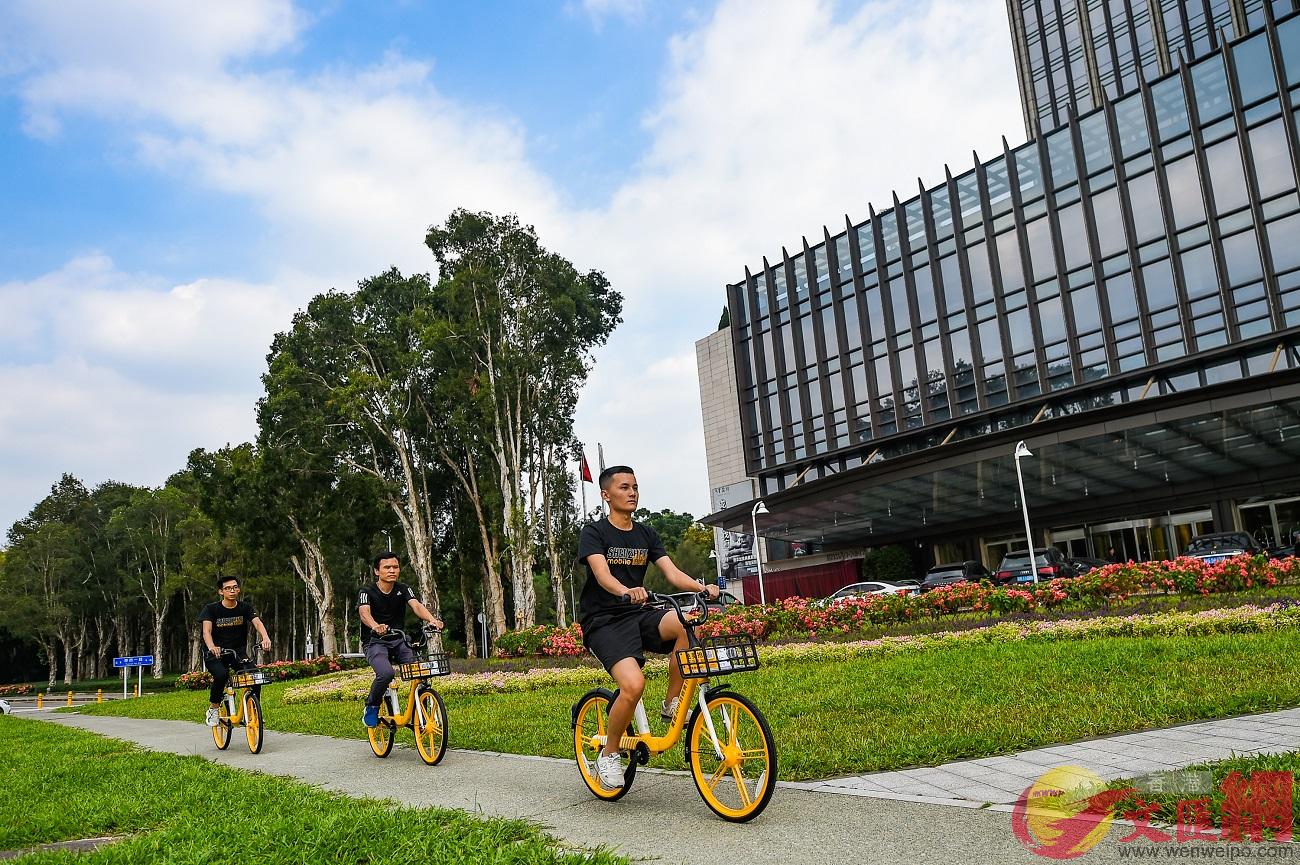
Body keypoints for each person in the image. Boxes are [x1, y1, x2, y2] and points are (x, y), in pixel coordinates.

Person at [577, 465, 719, 791]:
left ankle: (671, 704)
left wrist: (702, 587)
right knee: (633, 686)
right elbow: (602, 575)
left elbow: (672, 573)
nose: (632, 493)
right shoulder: (594, 532)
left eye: (635, 487)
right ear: (606, 494)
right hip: (603, 621)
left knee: (686, 623)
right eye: (624, 487)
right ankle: (610, 754)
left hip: (638, 613)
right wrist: (625, 591)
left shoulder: (646, 534)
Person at [358, 552, 444, 728]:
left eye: (395, 567)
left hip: (399, 640)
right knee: (386, 674)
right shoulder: (366, 591)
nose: (392, 570)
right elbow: (364, 613)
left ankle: (421, 714)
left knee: (419, 671)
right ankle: (372, 705)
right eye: (387, 567)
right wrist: (375, 626)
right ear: (377, 571)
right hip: (375, 641)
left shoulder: (403, 589)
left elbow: (416, 605)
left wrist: (432, 620)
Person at [199, 575, 272, 727]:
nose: (232, 590)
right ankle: (213, 709)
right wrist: (212, 647)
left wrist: (265, 637)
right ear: (221, 591)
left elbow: (257, 623)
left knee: (255, 677)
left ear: (238, 589)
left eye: (234, 587)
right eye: (228, 588)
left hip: (237, 653)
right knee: (222, 675)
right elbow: (206, 631)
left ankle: (252, 713)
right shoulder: (211, 609)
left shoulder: (245, 607)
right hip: (215, 653)